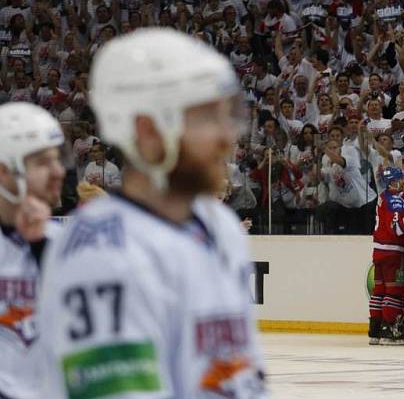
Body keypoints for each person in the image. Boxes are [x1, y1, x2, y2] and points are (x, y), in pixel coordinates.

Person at [38, 29, 269, 398]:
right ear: (149, 131)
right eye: (207, 119)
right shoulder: (101, 252)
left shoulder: (220, 225)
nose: (228, 137)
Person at [0, 103, 65, 399]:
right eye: (41, 162)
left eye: (57, 160)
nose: (58, 172)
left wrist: (40, 245)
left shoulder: (72, 243)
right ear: (4, 172)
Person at [369, 166, 404, 345]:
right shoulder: (395, 201)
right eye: (401, 178)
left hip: (378, 250)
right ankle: (388, 329)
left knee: (379, 291)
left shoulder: (382, 197)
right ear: (393, 182)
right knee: (393, 291)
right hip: (393, 251)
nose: (403, 181)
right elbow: (397, 229)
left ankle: (375, 330)